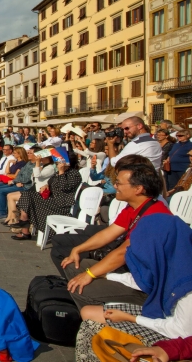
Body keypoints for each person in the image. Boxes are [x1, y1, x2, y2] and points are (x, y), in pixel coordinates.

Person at [75, 213, 192, 359]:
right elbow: (145, 279)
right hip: (162, 313)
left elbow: (181, 331)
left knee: (93, 327)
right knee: (88, 312)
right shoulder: (177, 256)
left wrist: (132, 318)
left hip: (176, 337)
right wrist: (107, 275)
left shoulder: (187, 287)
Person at [59, 160, 170, 309]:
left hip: (146, 287)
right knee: (71, 264)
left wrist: (90, 275)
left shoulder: (155, 215)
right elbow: (109, 233)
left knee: (82, 288)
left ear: (138, 189)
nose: (115, 186)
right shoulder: (135, 207)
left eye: (119, 183)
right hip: (132, 271)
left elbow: (123, 252)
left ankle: (96, 322)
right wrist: (77, 249)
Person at [10, 150, 81, 241]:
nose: (57, 163)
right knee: (27, 195)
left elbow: (64, 187)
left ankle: (24, 227)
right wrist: (47, 185)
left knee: (29, 201)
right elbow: (52, 182)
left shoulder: (74, 174)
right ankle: (24, 223)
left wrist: (61, 172)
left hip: (61, 204)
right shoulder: (59, 172)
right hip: (52, 199)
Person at [0, 147, 32, 220]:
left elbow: (16, 176)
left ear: (19, 154)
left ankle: (2, 212)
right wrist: (9, 163)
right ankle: (1, 203)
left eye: (15, 153)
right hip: (12, 180)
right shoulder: (16, 162)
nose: (13, 154)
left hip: (18, 183)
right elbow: (7, 172)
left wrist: (12, 178)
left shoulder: (23, 164)